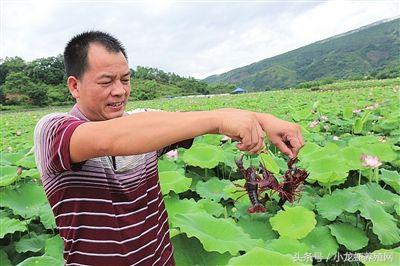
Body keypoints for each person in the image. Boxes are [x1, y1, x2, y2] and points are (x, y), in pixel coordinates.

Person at [34, 31, 304, 266]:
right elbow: (109, 139)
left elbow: (190, 120)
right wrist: (219, 120)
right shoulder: (52, 131)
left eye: (125, 80)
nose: (119, 91)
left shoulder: (147, 124)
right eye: (106, 82)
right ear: (74, 86)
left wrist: (264, 120)